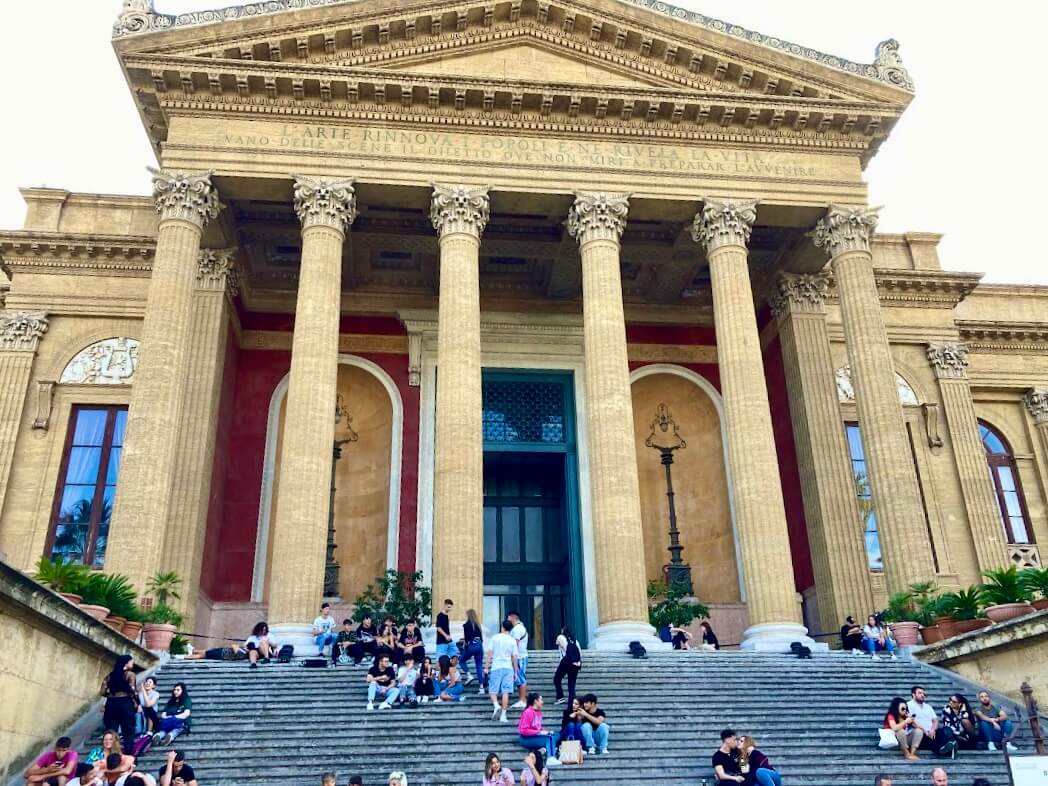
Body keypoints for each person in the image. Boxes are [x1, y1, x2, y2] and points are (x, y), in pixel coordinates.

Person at [101, 655, 138, 752]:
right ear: (126, 663)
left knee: (111, 731)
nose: (132, 663)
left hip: (111, 703)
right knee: (128, 731)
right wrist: (137, 703)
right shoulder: (130, 674)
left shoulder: (110, 675)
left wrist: (110, 693)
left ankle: (111, 755)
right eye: (131, 662)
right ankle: (129, 755)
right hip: (125, 703)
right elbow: (133, 691)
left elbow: (102, 691)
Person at [486, 619, 519, 723]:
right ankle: (503, 716)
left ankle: (496, 705)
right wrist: (515, 671)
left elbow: (489, 653)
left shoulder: (495, 638)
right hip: (508, 667)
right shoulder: (512, 640)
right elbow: (514, 657)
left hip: (496, 666)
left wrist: (486, 667)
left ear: (502, 627)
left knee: (493, 690)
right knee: (506, 692)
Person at [908, 685, 955, 756]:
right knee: (931, 740)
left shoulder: (928, 706)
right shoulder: (909, 705)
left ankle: (949, 747)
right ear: (913, 694)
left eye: (923, 693)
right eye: (920, 693)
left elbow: (935, 720)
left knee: (946, 729)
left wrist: (933, 730)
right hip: (920, 733)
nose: (923, 695)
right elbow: (912, 722)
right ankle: (943, 750)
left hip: (932, 732)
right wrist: (925, 732)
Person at [517, 693, 561, 766]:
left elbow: (538, 727)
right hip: (526, 738)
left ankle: (544, 749)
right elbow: (523, 730)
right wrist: (539, 732)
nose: (542, 702)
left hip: (535, 736)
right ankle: (550, 758)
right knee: (549, 738)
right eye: (541, 700)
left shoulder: (538, 712)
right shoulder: (528, 712)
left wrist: (545, 732)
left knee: (557, 735)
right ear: (535, 701)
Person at [884, 696, 923, 760]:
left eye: (906, 709)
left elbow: (921, 728)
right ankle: (906, 753)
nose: (904, 710)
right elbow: (894, 728)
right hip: (894, 741)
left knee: (918, 731)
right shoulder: (891, 715)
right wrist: (905, 722)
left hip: (905, 740)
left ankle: (912, 753)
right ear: (896, 708)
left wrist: (912, 719)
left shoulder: (905, 716)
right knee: (900, 731)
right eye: (902, 709)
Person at [552, 626, 581, 705]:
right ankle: (572, 701)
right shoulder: (575, 640)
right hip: (576, 663)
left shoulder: (561, 637)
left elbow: (557, 643)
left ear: (563, 631)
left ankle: (560, 697)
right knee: (571, 683)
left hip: (566, 661)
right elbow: (579, 653)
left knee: (557, 679)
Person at [508, 611, 529, 709]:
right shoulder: (519, 628)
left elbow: (515, 644)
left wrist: (513, 658)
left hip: (520, 657)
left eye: (508, 617)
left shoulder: (517, 629)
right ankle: (522, 699)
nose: (507, 620)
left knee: (521, 678)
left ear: (513, 618)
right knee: (519, 678)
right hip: (520, 656)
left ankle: (523, 700)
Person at [460, 608, 484, 689]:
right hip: (479, 645)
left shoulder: (466, 625)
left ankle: (469, 675)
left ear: (468, 615)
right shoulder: (478, 625)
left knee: (461, 660)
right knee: (479, 666)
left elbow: (467, 639)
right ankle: (481, 687)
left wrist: (466, 650)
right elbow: (481, 638)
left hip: (471, 645)